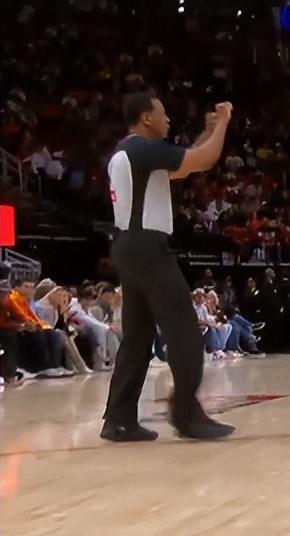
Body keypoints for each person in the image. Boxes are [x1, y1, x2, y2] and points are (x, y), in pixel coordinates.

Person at [102, 90, 235, 441]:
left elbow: (185, 164)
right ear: (146, 117)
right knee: (184, 330)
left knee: (137, 337)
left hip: (127, 246)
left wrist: (207, 132)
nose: (168, 119)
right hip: (148, 247)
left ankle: (119, 418)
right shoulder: (144, 149)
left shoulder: (128, 152)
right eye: (162, 113)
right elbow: (203, 160)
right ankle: (187, 415)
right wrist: (223, 122)